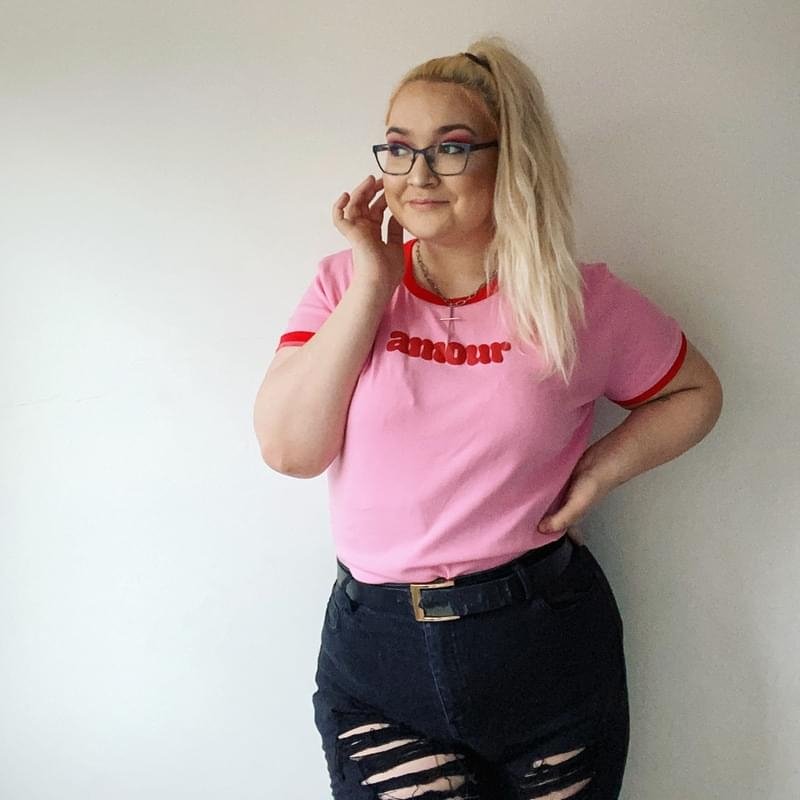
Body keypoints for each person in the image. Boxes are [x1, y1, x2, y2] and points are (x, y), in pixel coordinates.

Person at [253, 36, 722, 800]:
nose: (418, 175)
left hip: (541, 645)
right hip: (379, 657)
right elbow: (289, 450)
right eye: (399, 148)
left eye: (451, 148)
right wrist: (375, 280)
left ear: (513, 162)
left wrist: (599, 472)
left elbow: (696, 394)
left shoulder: (581, 302)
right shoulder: (341, 284)